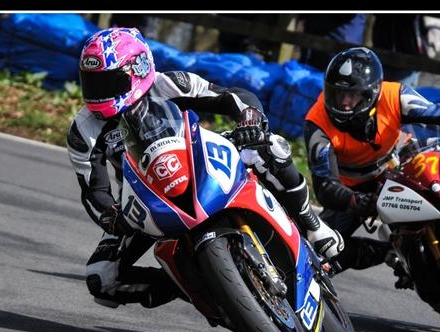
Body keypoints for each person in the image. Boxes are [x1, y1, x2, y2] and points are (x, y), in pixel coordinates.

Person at [67, 27, 344, 309]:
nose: (98, 93)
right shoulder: (84, 130)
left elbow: (232, 97)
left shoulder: (170, 84)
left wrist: (249, 118)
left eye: (107, 82)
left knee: (270, 146)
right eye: (92, 82)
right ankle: (198, 286)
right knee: (101, 279)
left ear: (137, 68)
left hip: (198, 158)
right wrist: (109, 216)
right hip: (143, 199)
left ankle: (313, 225)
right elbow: (93, 190)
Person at [303, 47, 440, 286]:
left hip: (402, 167)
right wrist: (356, 202)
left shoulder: (395, 95)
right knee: (316, 250)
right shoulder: (317, 123)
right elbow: (325, 186)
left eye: (351, 96)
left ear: (372, 93)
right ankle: (388, 254)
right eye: (337, 94)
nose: (343, 103)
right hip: (357, 190)